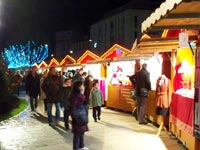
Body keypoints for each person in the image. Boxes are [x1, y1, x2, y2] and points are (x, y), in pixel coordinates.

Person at [70, 81, 89, 150]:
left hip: (82, 115)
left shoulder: (81, 94)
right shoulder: (75, 96)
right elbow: (72, 107)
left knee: (81, 132)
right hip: (78, 116)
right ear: (78, 87)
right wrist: (74, 117)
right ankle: (76, 147)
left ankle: (81, 146)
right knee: (77, 133)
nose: (83, 86)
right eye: (82, 85)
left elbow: (85, 103)